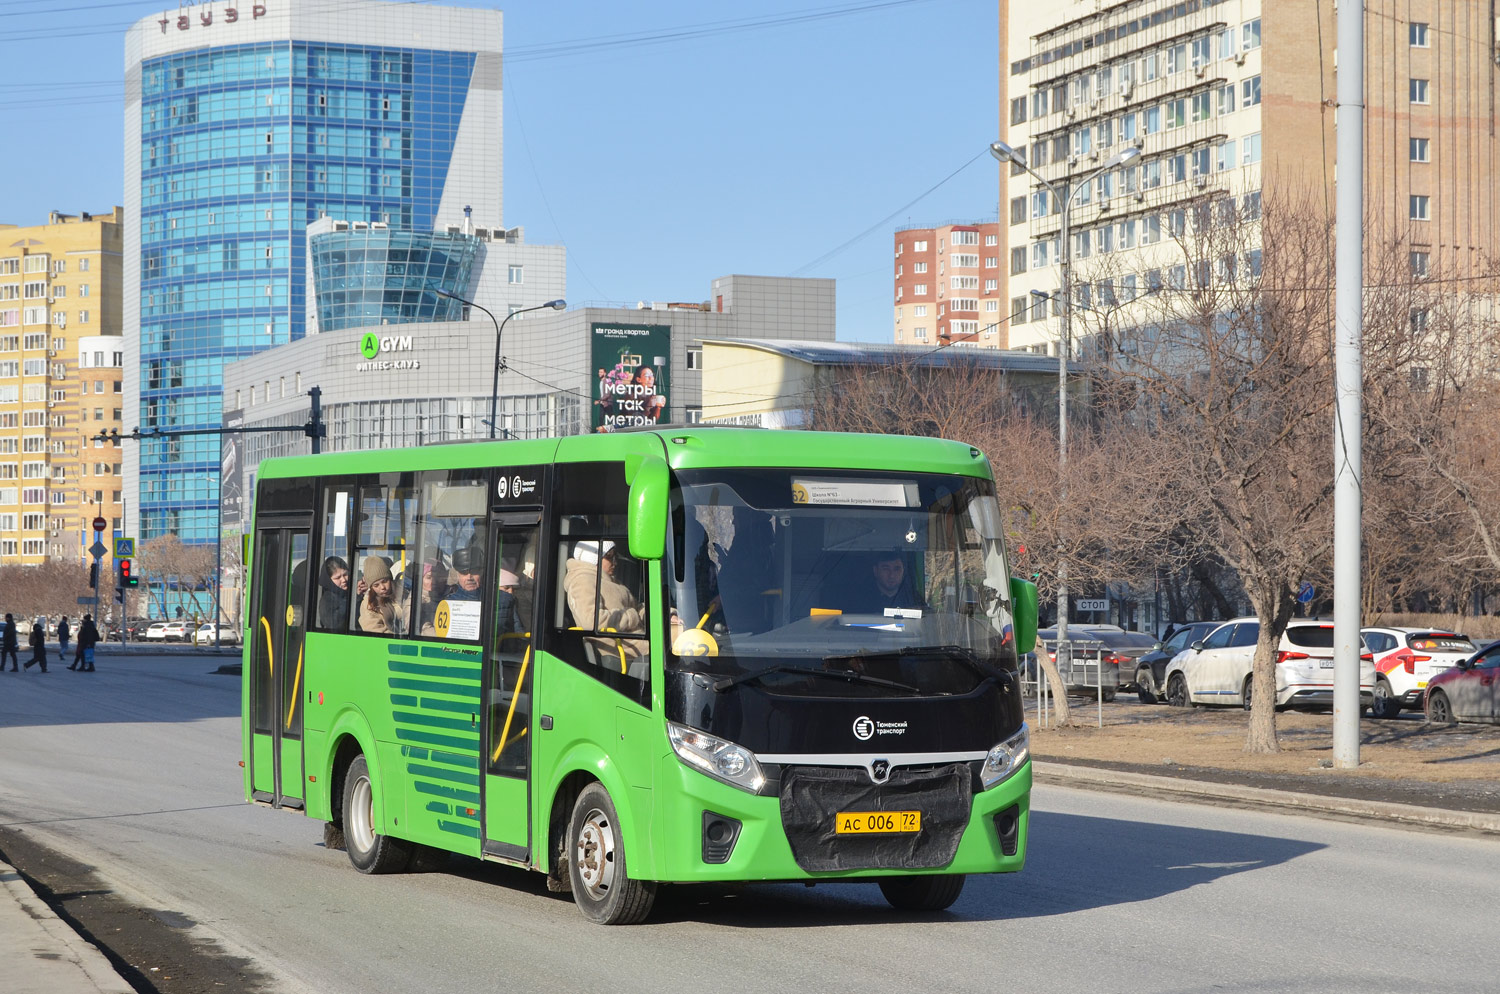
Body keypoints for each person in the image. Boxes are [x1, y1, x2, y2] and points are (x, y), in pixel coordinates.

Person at [564, 540, 646, 657]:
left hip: (635, 642)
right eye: (609, 557)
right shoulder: (582, 582)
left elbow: (636, 608)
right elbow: (592, 622)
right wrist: (630, 617)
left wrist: (665, 616)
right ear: (593, 558)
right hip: (619, 651)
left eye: (615, 556)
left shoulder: (611, 580)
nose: (615, 562)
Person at [847, 553, 925, 614]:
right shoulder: (860, 599)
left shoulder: (912, 598)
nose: (892, 575)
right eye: (886, 569)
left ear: (903, 571)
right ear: (875, 571)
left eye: (897, 569)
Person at [358, 556, 405, 635]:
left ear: (390, 579)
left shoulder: (403, 592)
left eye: (385, 581)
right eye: (376, 585)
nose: (382, 587)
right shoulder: (369, 604)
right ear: (371, 587)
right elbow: (375, 630)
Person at [317, 556, 351, 629]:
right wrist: (355, 598)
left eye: (345, 574)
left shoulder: (351, 591)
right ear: (329, 581)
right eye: (338, 578)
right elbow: (334, 624)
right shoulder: (327, 600)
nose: (343, 580)